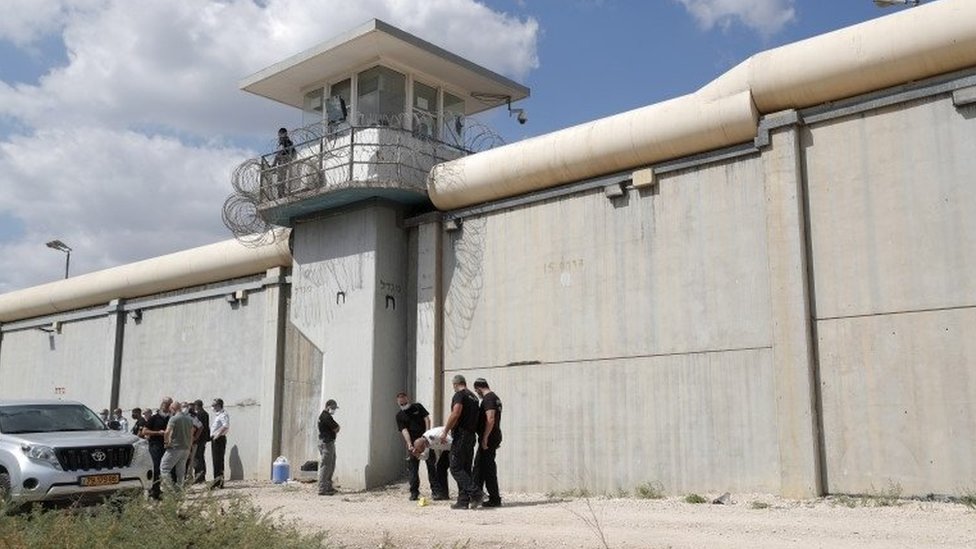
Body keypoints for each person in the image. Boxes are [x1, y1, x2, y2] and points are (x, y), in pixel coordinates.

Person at [440, 374, 482, 509]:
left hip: (461, 434)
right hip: (471, 436)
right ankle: (463, 501)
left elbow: (456, 413)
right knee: (465, 469)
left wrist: (446, 430)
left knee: (455, 467)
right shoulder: (474, 397)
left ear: (455, 384)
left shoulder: (459, 394)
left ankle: (476, 493)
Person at [395, 392, 433, 501]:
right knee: (413, 469)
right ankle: (414, 493)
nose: (403, 405)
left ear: (408, 399)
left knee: (431, 465)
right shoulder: (399, 416)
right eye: (401, 404)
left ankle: (436, 491)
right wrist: (409, 444)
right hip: (413, 444)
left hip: (425, 440)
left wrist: (426, 436)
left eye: (405, 403)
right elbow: (404, 430)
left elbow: (427, 419)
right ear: (398, 403)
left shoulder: (418, 407)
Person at [472, 378, 503, 507]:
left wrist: (485, 438)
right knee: (485, 466)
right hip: (493, 436)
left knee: (483, 467)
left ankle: (489, 497)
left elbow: (490, 419)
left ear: (479, 388)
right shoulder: (495, 398)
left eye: (476, 391)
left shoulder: (489, 398)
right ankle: (490, 496)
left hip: (489, 438)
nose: (477, 393)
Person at [158, 401, 195, 494]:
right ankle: (179, 491)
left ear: (173, 409)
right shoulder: (189, 419)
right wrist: (190, 449)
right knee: (181, 471)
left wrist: (166, 442)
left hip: (175, 447)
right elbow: (191, 436)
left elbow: (167, 432)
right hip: (186, 448)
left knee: (164, 468)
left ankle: (171, 490)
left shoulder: (174, 419)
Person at [143, 397, 173, 499]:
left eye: (169, 404)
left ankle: (159, 490)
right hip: (155, 445)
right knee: (155, 468)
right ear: (162, 404)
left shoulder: (171, 418)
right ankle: (153, 491)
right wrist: (157, 433)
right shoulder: (154, 418)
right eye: (166, 403)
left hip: (167, 446)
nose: (167, 406)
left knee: (164, 469)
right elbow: (145, 431)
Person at [411, 426, 451, 501]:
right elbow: (426, 456)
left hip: (455, 446)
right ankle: (444, 494)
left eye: (420, 450)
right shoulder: (425, 442)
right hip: (448, 449)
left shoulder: (434, 435)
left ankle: (468, 493)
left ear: (423, 445)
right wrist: (417, 455)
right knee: (440, 467)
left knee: (457, 469)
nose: (421, 451)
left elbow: (451, 440)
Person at [317, 399, 340, 496]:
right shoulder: (325, 416)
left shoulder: (326, 416)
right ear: (328, 407)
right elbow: (336, 428)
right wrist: (336, 429)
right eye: (333, 408)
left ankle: (328, 486)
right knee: (326, 465)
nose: (334, 410)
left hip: (328, 442)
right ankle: (322, 488)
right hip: (327, 443)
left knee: (331, 464)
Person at [210, 398, 230, 489]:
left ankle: (219, 482)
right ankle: (217, 481)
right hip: (216, 439)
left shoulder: (223, 414)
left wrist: (217, 435)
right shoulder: (218, 415)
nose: (213, 407)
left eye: (214, 405)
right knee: (216, 461)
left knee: (218, 461)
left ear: (218, 405)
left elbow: (225, 426)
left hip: (219, 440)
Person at [273, 127, 296, 198]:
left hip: (283, 161)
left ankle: (280, 194)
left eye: (279, 134)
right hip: (285, 161)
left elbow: (279, 153)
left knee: (280, 179)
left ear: (282, 134)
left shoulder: (283, 141)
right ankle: (281, 193)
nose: (279, 136)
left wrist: (274, 164)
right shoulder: (289, 142)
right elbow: (293, 152)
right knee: (283, 179)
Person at [192, 399, 210, 484]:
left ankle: (198, 477)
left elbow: (198, 427)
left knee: (197, 458)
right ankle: (202, 476)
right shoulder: (205, 413)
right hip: (203, 439)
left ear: (197, 406)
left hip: (198, 439)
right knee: (201, 457)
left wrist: (195, 437)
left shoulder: (199, 414)